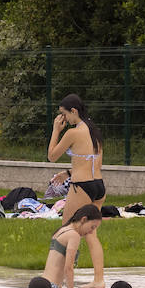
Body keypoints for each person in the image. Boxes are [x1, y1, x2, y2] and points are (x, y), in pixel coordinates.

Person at [47, 93, 106, 223]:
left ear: (74, 111)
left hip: (82, 186)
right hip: (99, 186)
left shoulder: (72, 133)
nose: (65, 119)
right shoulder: (95, 131)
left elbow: (51, 156)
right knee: (90, 232)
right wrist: (68, 173)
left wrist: (56, 130)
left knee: (67, 228)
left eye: (65, 114)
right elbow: (96, 164)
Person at [42, 204, 104, 288]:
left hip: (41, 284)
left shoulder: (61, 230)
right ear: (83, 220)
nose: (92, 232)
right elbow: (68, 269)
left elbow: (56, 264)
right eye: (92, 227)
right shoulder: (74, 235)